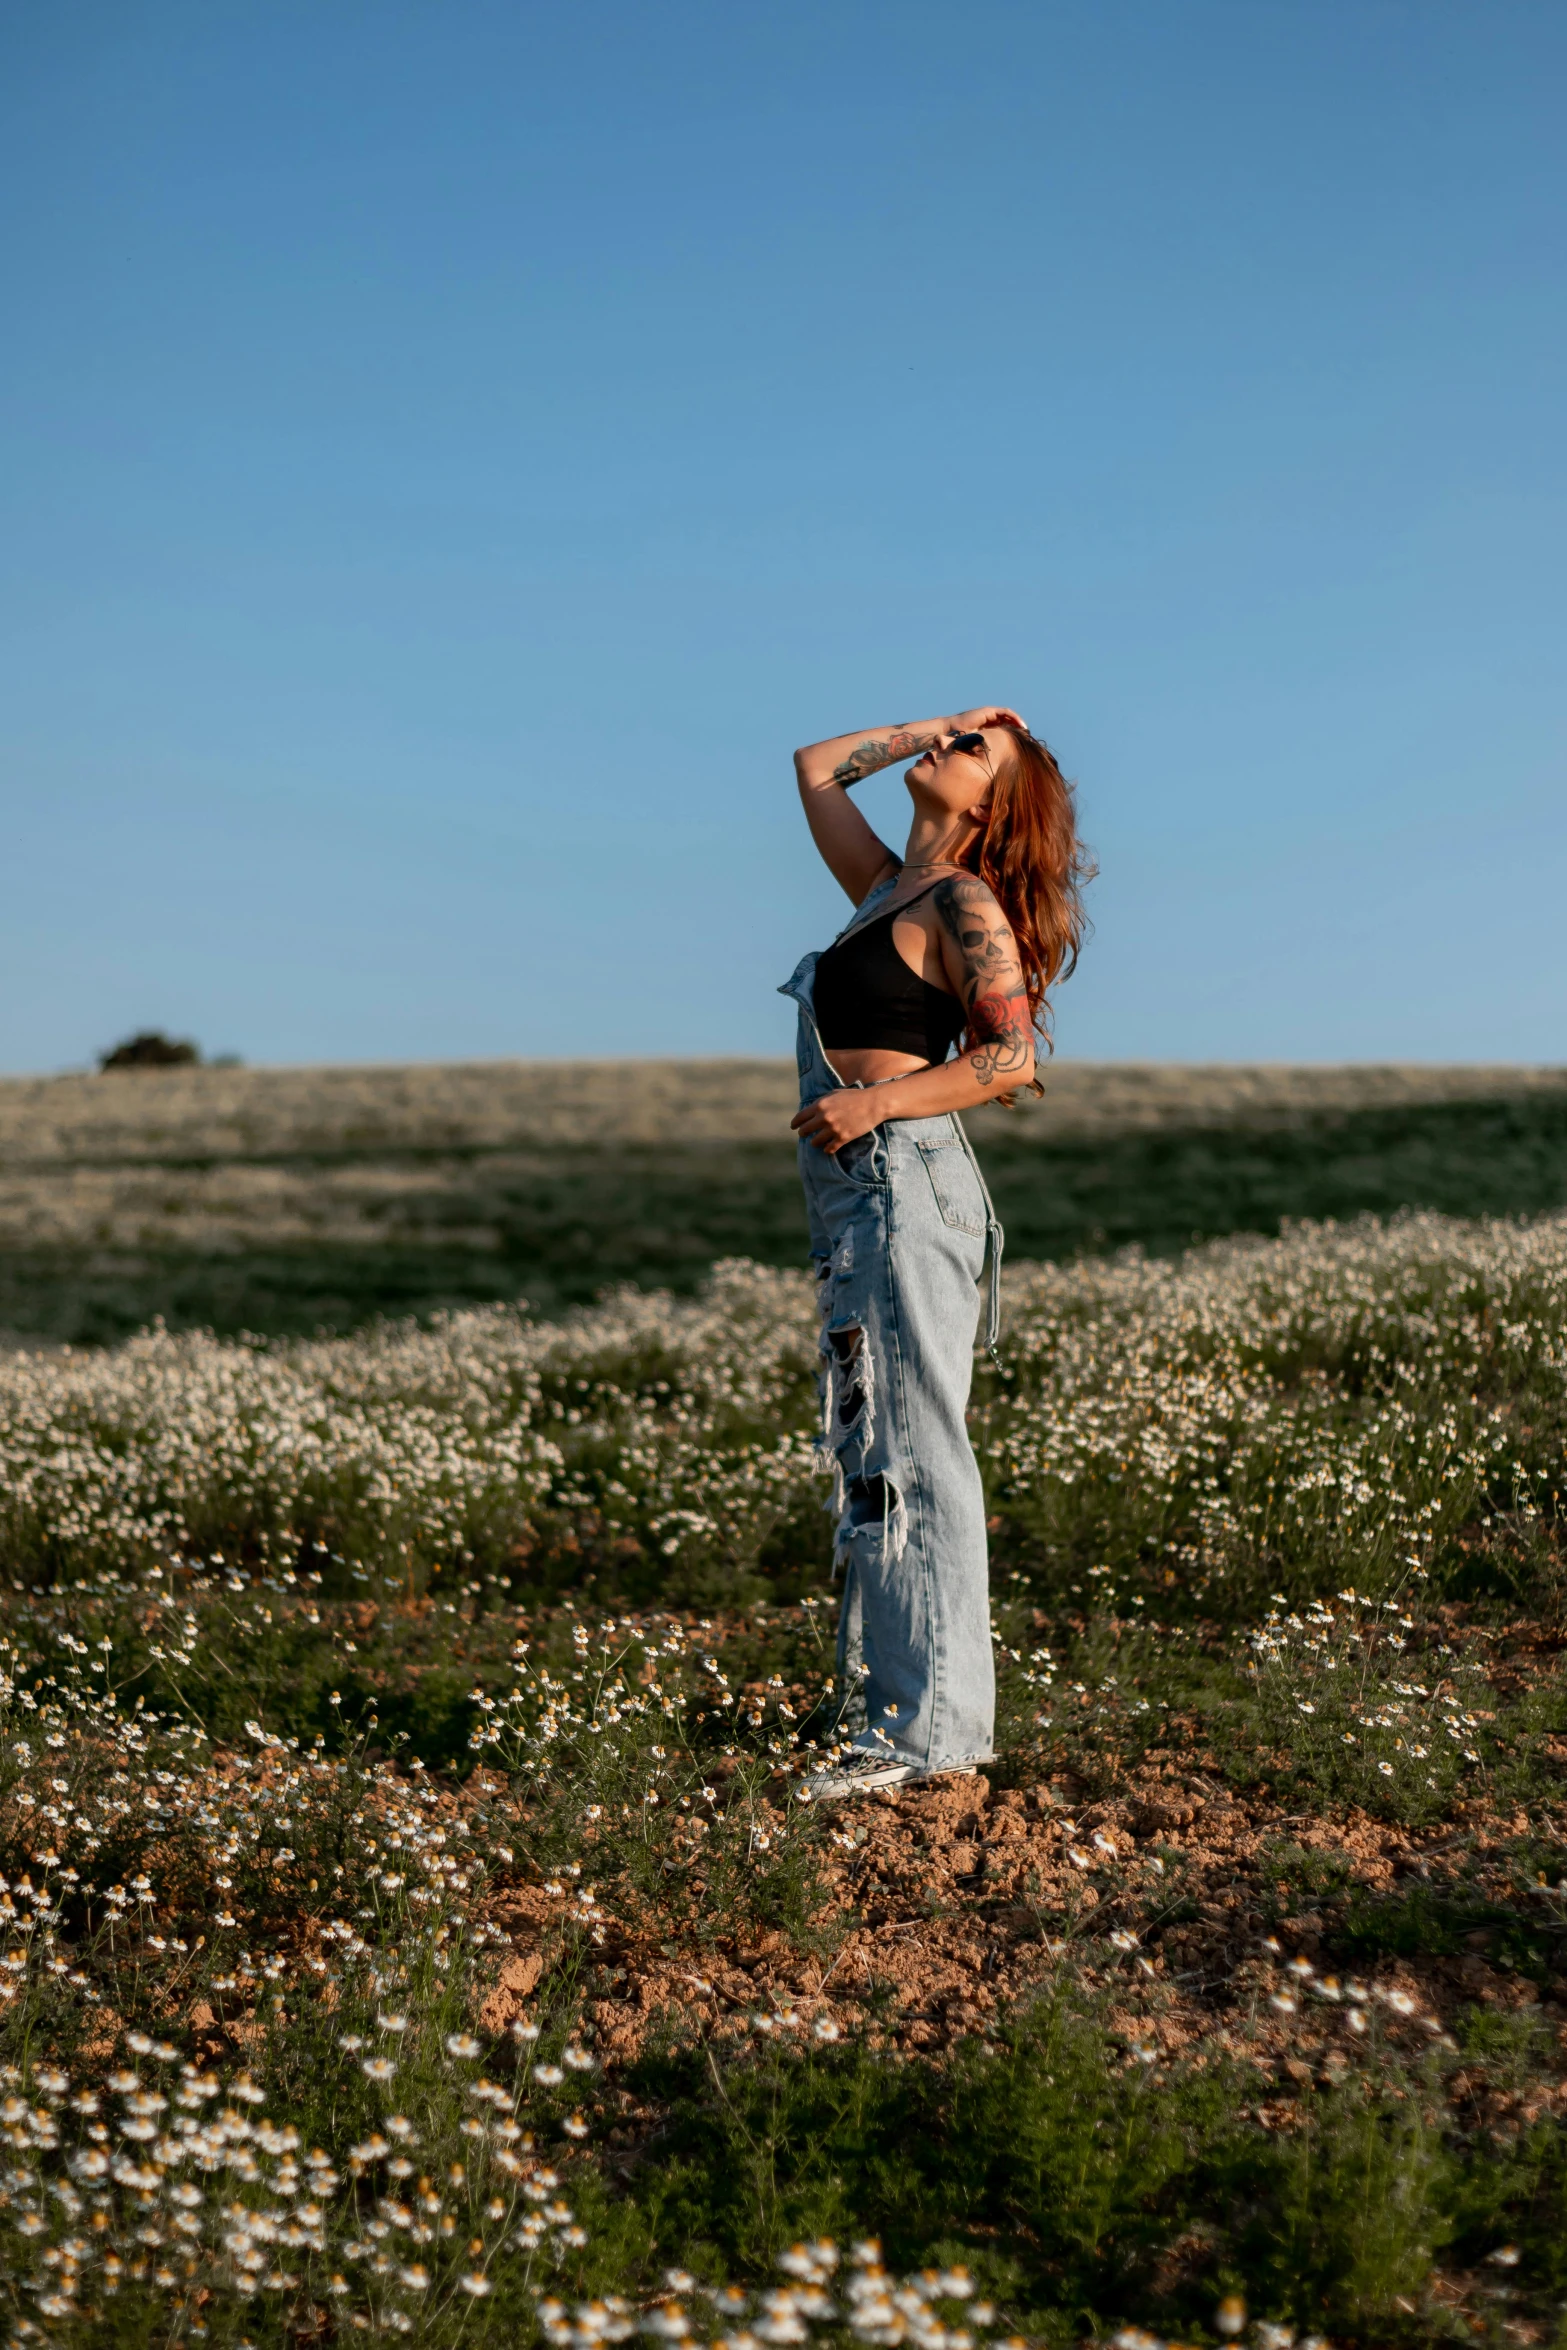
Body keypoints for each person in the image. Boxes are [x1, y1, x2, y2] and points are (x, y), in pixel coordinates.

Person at [781, 706, 1091, 1801]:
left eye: (973, 753)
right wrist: (943, 720)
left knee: (915, 1451)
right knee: (874, 1449)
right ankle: (888, 1710)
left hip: (904, 1180)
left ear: (990, 805)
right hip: (865, 1195)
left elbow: (1007, 1057)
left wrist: (878, 1105)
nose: (946, 749)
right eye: (953, 739)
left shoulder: (963, 900)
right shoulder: (884, 888)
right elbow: (814, 767)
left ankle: (932, 1738)